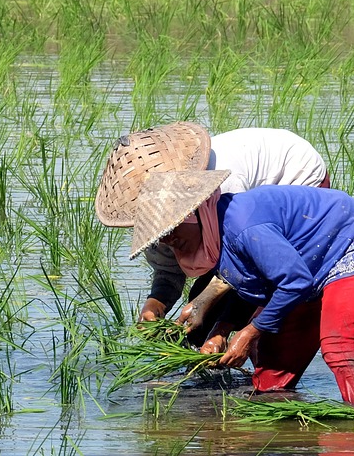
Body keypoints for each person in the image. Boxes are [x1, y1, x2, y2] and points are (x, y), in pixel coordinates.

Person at [98, 168, 354, 410]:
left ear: (194, 213)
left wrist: (248, 334)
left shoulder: (243, 227)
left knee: (340, 348)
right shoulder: (217, 235)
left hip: (350, 244)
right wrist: (221, 332)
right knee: (271, 380)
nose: (170, 239)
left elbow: (295, 282)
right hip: (304, 264)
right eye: (163, 235)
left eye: (174, 228)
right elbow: (253, 285)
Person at [96, 123, 330, 351]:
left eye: (169, 229)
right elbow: (168, 271)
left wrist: (207, 307)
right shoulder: (153, 222)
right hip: (226, 227)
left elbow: (246, 265)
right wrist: (155, 304)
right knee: (202, 326)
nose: (164, 240)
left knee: (259, 308)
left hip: (293, 185)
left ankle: (263, 368)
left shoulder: (223, 188)